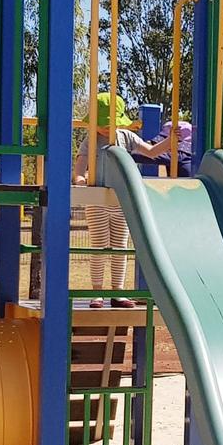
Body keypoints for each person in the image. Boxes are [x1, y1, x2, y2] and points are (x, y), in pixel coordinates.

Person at [73, 92, 171, 308]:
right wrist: (80, 178)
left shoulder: (126, 137)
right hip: (97, 201)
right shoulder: (91, 139)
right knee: (98, 246)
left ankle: (118, 292)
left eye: (110, 124)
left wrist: (170, 141)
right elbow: (80, 164)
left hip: (120, 201)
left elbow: (152, 152)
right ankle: (97, 292)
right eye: (101, 124)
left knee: (119, 247)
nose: (106, 128)